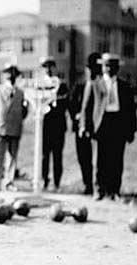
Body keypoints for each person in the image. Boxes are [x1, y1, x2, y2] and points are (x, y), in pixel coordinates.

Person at [80, 53, 137, 200]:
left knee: (116, 159)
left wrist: (131, 130)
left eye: (113, 66)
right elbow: (86, 107)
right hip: (101, 124)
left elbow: (130, 110)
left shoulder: (125, 86)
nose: (109, 68)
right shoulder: (95, 84)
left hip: (118, 124)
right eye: (106, 65)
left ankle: (114, 191)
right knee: (99, 160)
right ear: (102, 67)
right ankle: (99, 189)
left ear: (118, 68)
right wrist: (84, 126)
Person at [0, 63, 28, 192]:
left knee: (12, 157)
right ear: (4, 75)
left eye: (13, 73)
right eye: (8, 73)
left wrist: (16, 120)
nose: (10, 76)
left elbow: (24, 111)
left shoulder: (21, 93)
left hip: (15, 128)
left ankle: (9, 182)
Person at [69, 52, 101, 195]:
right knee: (83, 157)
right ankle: (87, 184)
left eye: (95, 69)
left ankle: (97, 185)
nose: (91, 72)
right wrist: (76, 116)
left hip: (95, 128)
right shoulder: (80, 85)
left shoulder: (100, 87)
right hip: (80, 128)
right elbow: (72, 103)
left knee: (96, 159)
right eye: (90, 69)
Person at [37, 56, 69, 192]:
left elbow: (65, 103)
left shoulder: (61, 84)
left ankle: (57, 183)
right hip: (45, 124)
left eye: (50, 66)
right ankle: (44, 181)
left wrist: (55, 99)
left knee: (57, 155)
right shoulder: (39, 85)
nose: (48, 69)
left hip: (58, 124)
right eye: (45, 66)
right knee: (44, 155)